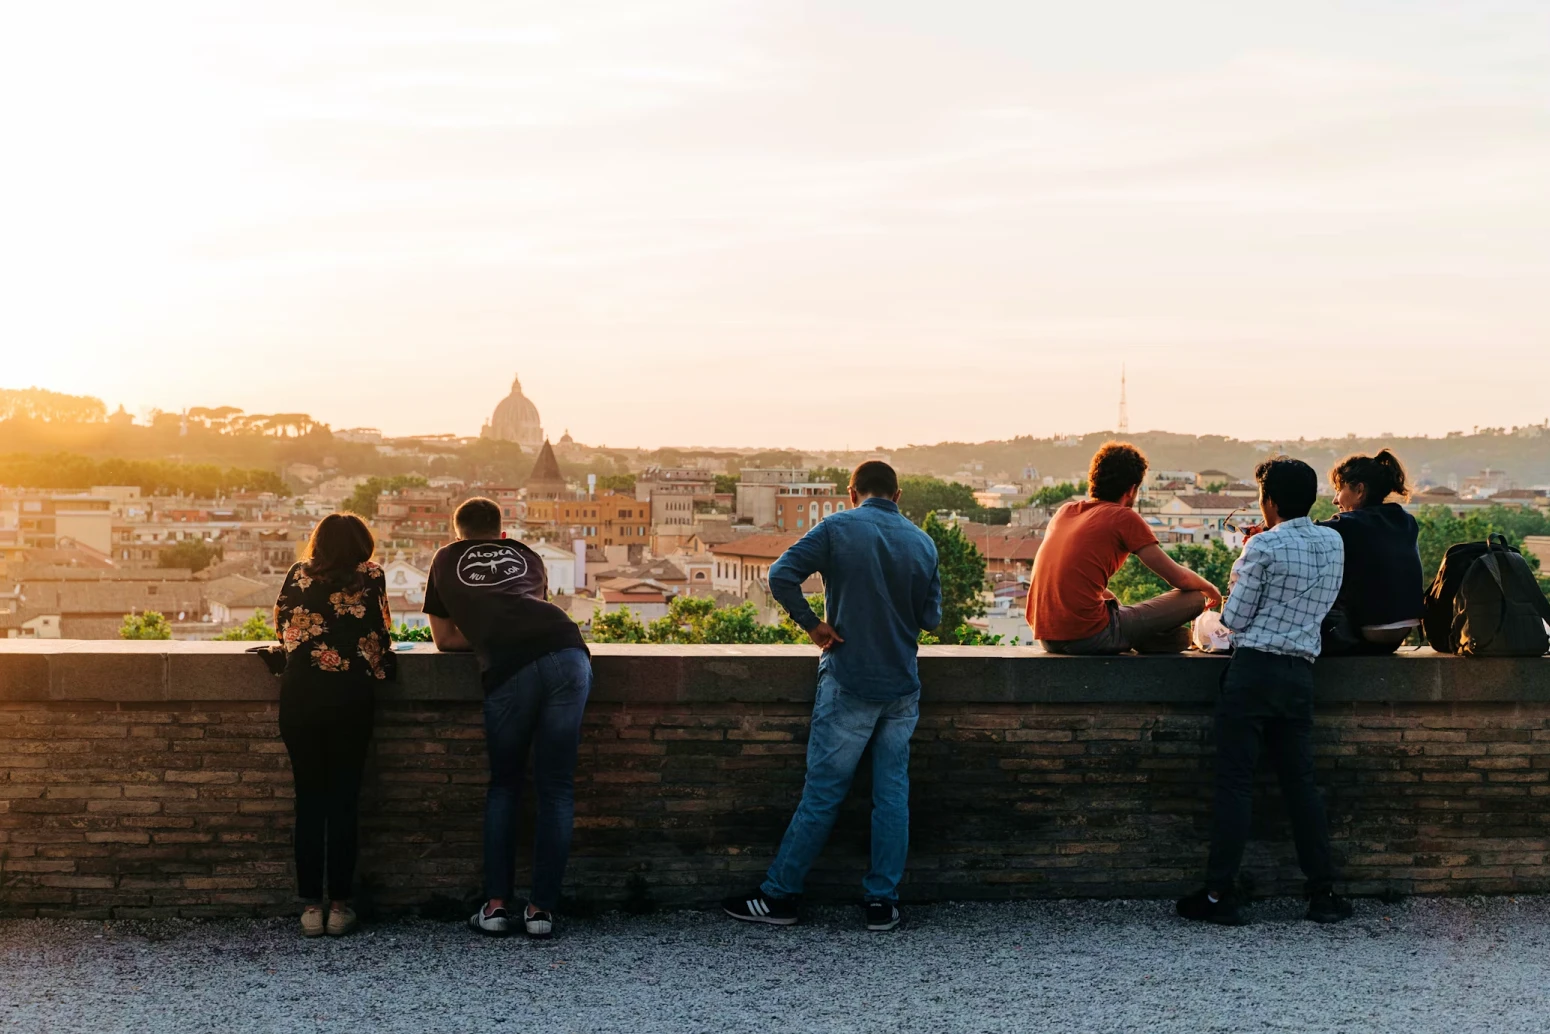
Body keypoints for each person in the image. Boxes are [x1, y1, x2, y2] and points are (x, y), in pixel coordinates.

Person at [722, 461, 941, 932]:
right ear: (898, 495)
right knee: (892, 796)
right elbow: (931, 619)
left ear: (852, 492)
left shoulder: (839, 527)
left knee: (823, 794)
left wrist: (815, 625)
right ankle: (881, 901)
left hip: (850, 679)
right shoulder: (923, 543)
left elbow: (781, 575)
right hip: (902, 683)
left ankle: (780, 895)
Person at [1176, 457, 1352, 926]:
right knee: (1301, 786)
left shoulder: (1262, 548)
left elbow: (1234, 619)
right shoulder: (1334, 542)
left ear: (1268, 501)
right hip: (1299, 673)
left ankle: (1219, 893)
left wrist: (1246, 558)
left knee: (1235, 784)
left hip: (1254, 671)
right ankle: (1323, 892)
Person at [424, 497, 591, 940]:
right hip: (568, 652)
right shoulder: (528, 554)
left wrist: (485, 641)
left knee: (506, 784)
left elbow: (443, 640)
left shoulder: (444, 558)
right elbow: (530, 608)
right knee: (556, 787)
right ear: (502, 532)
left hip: (510, 670)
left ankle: (496, 906)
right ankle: (541, 911)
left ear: (456, 533)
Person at [273, 512, 393, 938]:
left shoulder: (297, 573)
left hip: (301, 694)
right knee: (344, 801)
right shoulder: (371, 575)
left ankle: (310, 909)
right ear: (361, 544)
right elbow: (380, 635)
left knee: (309, 801)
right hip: (349, 696)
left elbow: (284, 628)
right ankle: (339, 908)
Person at [1028, 442, 1222, 653]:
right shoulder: (1122, 517)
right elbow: (1179, 578)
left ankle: (1146, 637)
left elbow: (1077, 582)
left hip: (1047, 636)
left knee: (1169, 636)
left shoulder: (1066, 512)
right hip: (1088, 635)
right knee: (1193, 598)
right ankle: (1142, 637)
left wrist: (1117, 608)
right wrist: (1211, 590)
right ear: (1131, 490)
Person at [1317, 449, 1424, 654]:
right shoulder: (1406, 520)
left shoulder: (1347, 524)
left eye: (1339, 490)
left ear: (1359, 490)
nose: (1335, 500)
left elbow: (1301, 535)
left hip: (1365, 634)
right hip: (1400, 634)